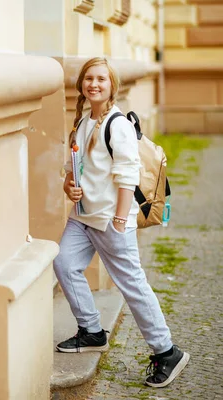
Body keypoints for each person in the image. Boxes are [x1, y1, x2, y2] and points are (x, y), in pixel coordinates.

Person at [53, 57, 190, 388]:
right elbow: (77, 170)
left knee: (132, 285)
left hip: (111, 221)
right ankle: (91, 330)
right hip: (84, 218)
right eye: (89, 78)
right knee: (64, 262)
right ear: (81, 85)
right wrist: (69, 186)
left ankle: (166, 351)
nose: (94, 84)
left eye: (101, 78)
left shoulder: (118, 124)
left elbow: (128, 175)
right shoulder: (85, 121)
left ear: (112, 85)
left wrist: (118, 219)